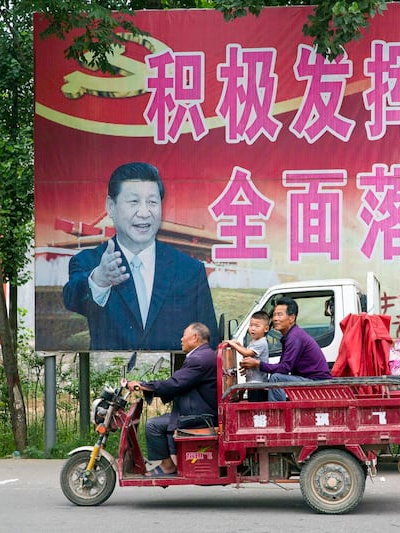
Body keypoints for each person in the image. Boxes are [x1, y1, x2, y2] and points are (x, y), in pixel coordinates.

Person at [62, 162, 219, 351]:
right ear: (111, 207)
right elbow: (72, 297)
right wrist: (100, 280)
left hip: (178, 378)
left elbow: (210, 341)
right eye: (134, 202)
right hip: (112, 378)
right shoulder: (89, 261)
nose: (144, 213)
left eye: (152, 202)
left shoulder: (190, 270)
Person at [125, 322, 217, 477]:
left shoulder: (198, 359)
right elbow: (179, 383)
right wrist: (148, 387)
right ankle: (173, 460)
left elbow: (175, 384)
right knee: (163, 421)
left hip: (201, 415)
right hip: (200, 409)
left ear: (195, 337)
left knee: (153, 425)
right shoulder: (205, 354)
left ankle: (167, 466)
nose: (181, 339)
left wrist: (143, 385)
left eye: (184, 335)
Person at [240, 297, 332, 401]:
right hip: (310, 380)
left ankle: (277, 412)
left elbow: (284, 368)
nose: (275, 319)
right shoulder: (290, 336)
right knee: (276, 377)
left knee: (276, 378)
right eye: (274, 315)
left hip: (316, 382)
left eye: (279, 315)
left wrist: (257, 364)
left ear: (291, 318)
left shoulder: (294, 337)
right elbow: (282, 368)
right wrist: (254, 367)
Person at [226, 310, 271, 401]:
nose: (253, 328)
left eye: (257, 326)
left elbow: (247, 353)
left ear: (266, 329)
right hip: (253, 382)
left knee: (256, 408)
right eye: (251, 325)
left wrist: (234, 345)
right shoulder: (255, 342)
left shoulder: (261, 342)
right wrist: (239, 344)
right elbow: (247, 351)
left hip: (258, 383)